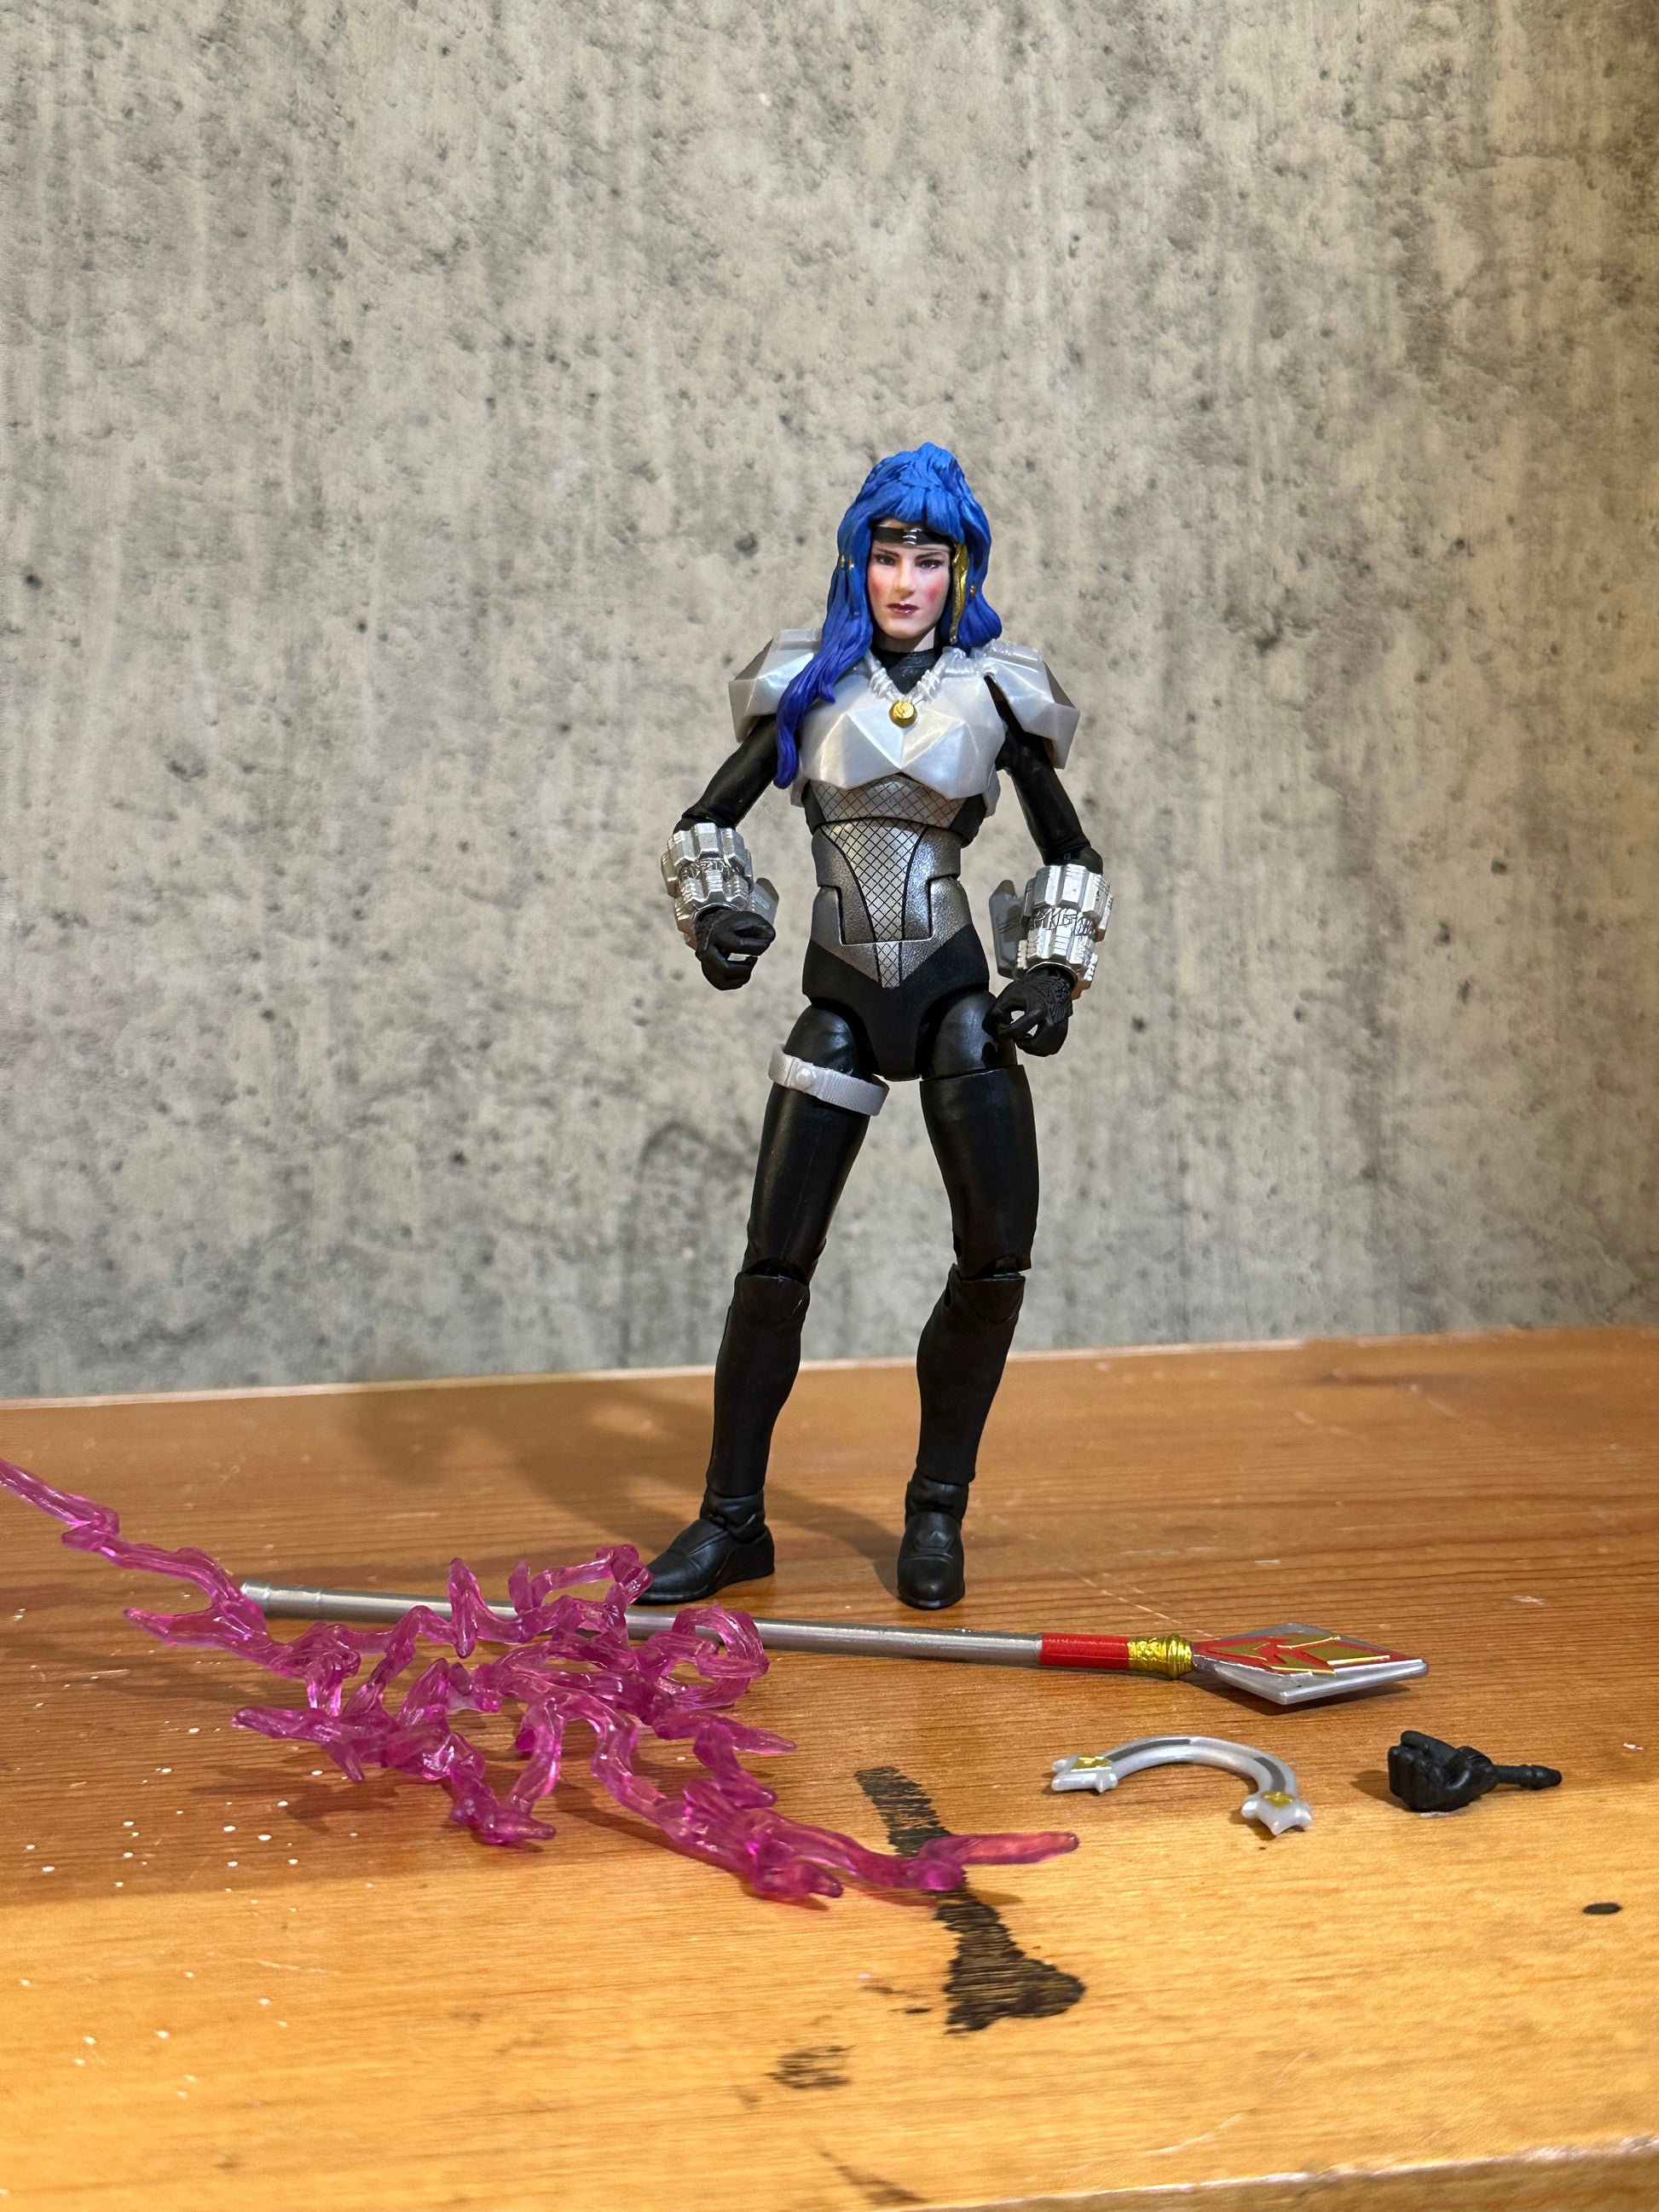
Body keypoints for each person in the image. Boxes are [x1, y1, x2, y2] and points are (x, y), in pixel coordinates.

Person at [645, 443, 1109, 1611]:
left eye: (930, 559)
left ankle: (936, 1508)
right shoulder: (810, 685)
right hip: (839, 1003)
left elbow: (1070, 850)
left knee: (993, 1260)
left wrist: (1052, 972)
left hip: (958, 1003)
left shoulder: (997, 692)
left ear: (961, 572)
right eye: (889, 556)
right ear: (859, 563)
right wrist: (718, 916)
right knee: (772, 1268)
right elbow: (707, 820)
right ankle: (731, 1519)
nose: (907, 580)